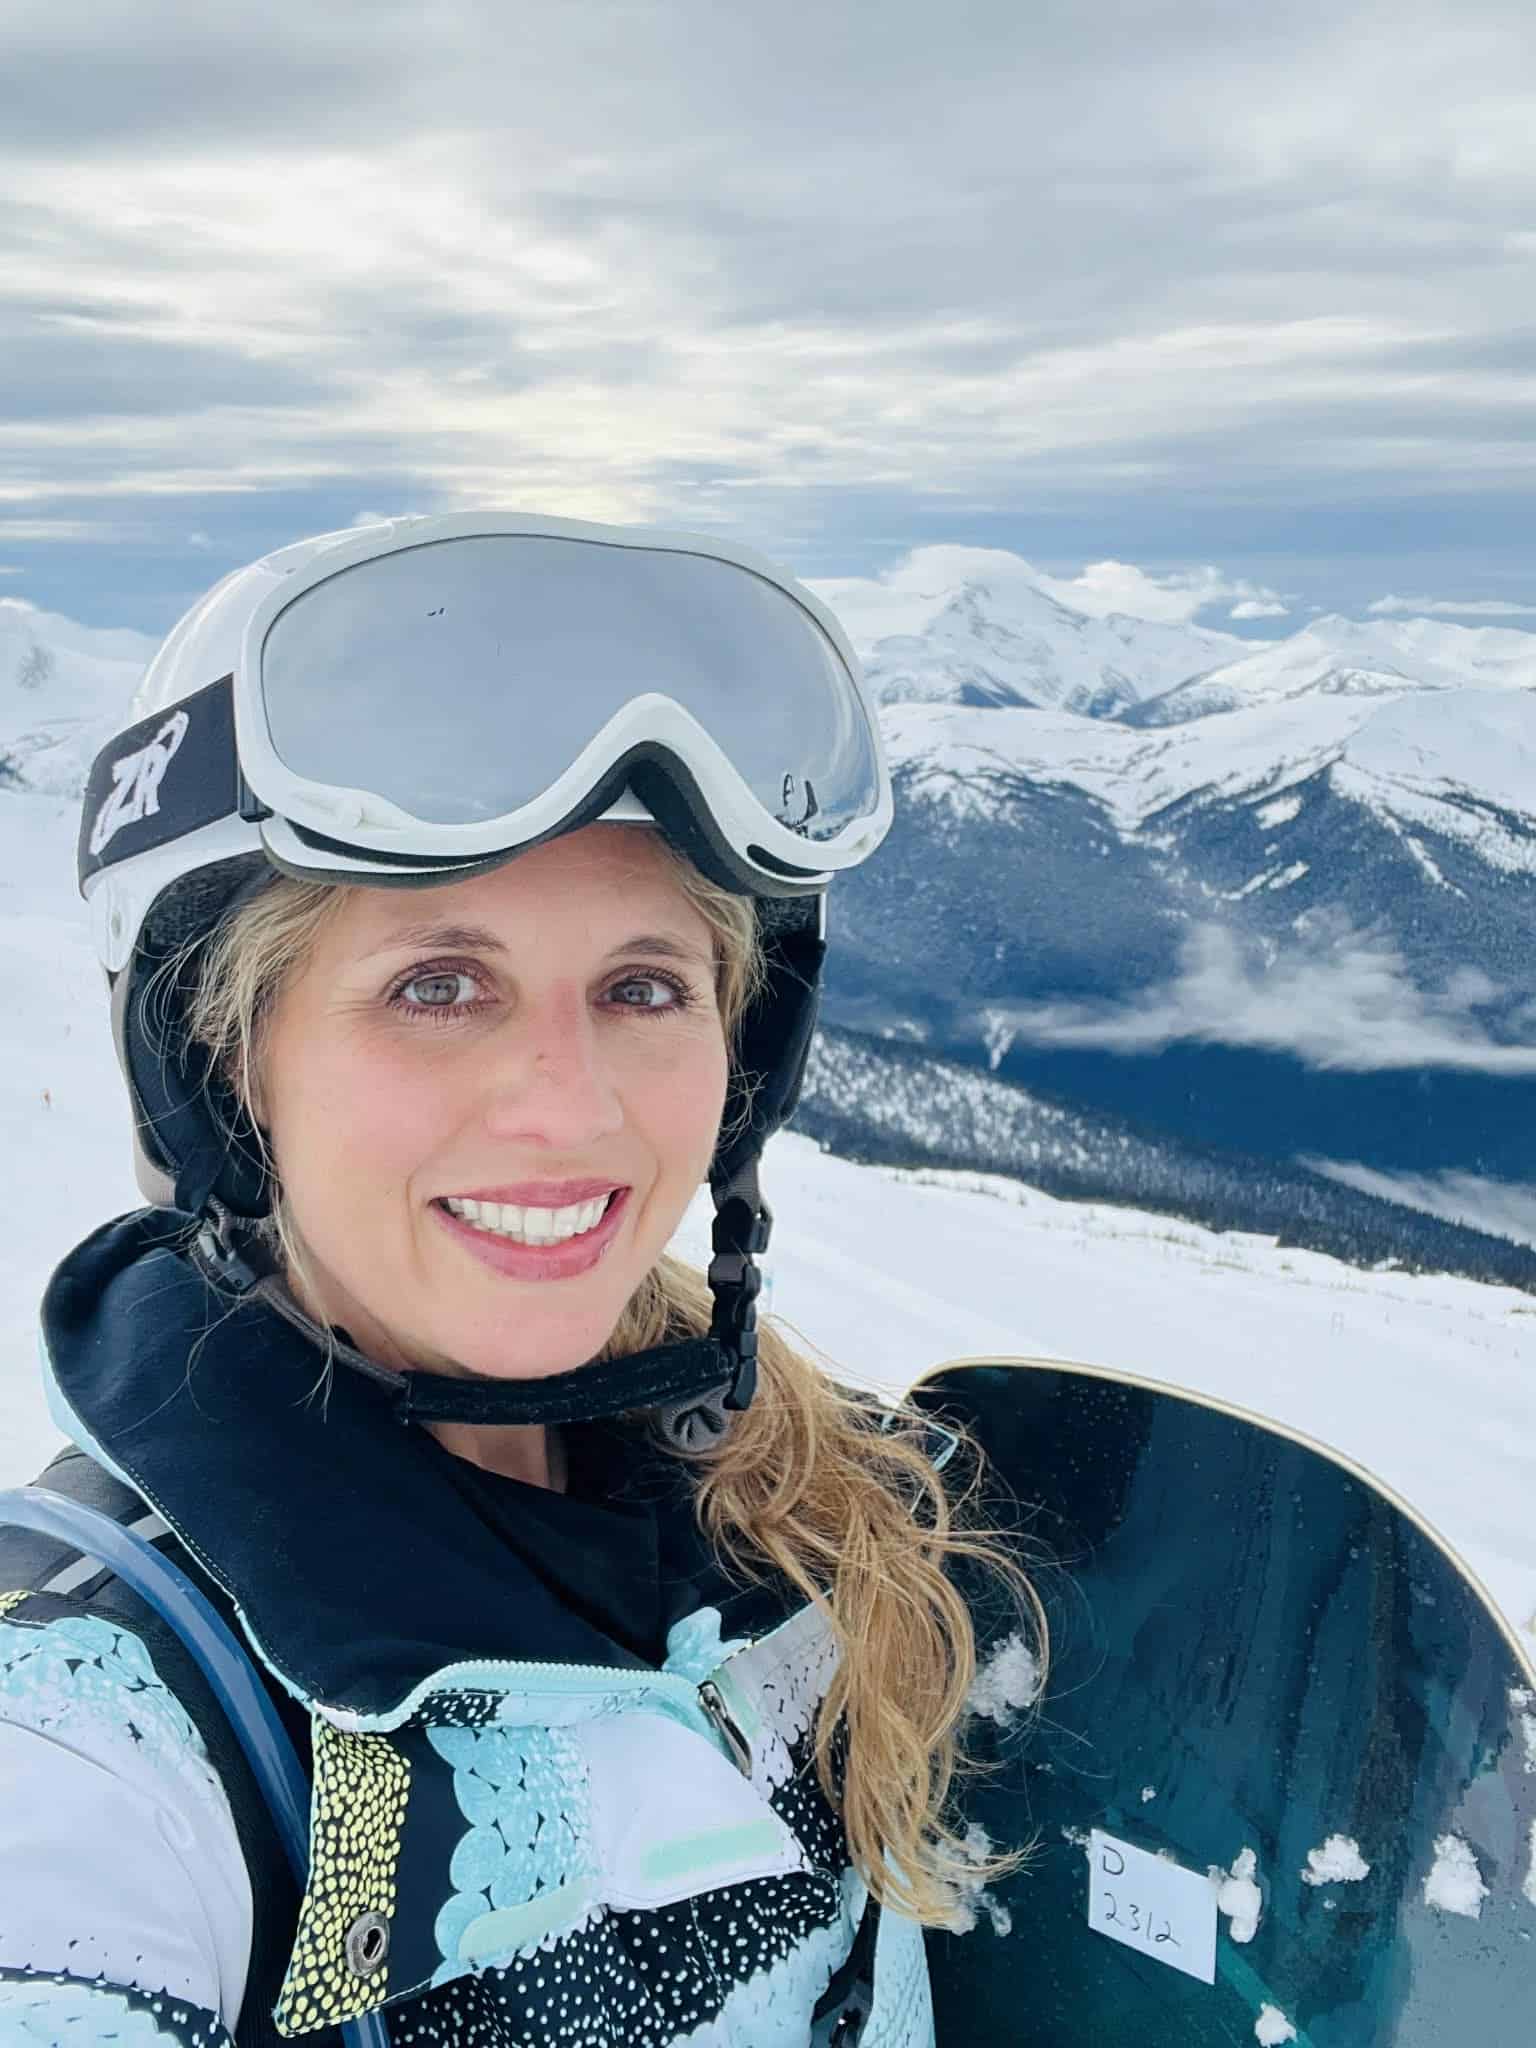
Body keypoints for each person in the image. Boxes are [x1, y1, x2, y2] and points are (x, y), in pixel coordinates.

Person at [0, 514, 1041, 2047]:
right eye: (438, 986)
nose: (570, 1106)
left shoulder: (827, 1516)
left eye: (643, 987)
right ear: (227, 1068)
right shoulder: (104, 1719)